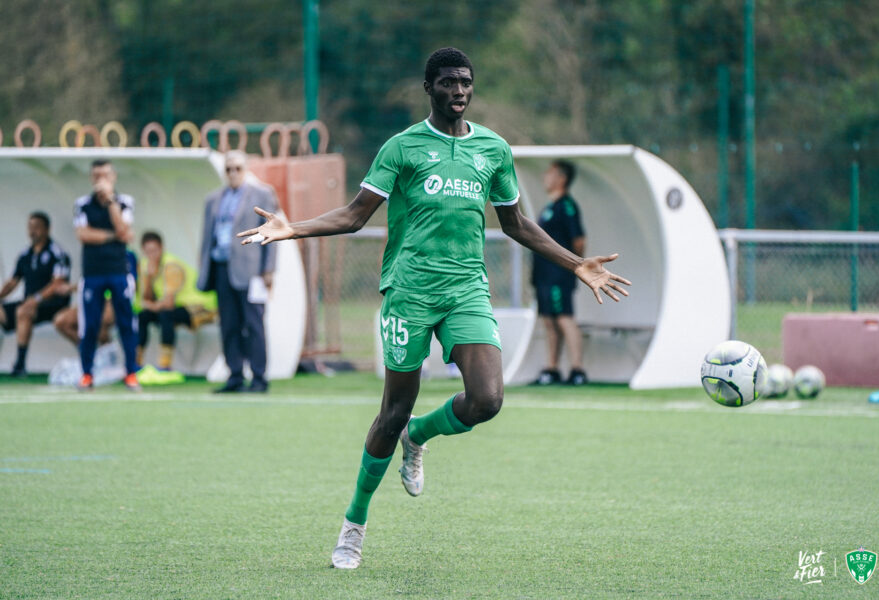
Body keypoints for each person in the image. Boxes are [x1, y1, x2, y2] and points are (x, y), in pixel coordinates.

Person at [238, 47, 631, 569]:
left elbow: (516, 224)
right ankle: (354, 524)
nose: (460, 91)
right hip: (409, 293)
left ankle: (420, 435)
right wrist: (294, 228)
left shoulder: (493, 149)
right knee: (390, 412)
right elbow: (356, 216)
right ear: (430, 88)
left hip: (466, 290)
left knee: (487, 399)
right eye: (449, 82)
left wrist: (576, 262)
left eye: (466, 82)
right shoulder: (402, 148)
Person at [197, 150, 277, 393]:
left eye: (237, 168)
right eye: (229, 169)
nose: (233, 173)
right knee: (229, 324)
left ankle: (259, 377)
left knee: (253, 324)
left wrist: (268, 269)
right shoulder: (214, 199)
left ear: (246, 170)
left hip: (250, 270)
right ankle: (234, 375)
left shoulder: (261, 195)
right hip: (221, 267)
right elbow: (207, 236)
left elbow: (272, 233)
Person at [74, 159, 140, 391]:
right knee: (90, 325)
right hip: (92, 273)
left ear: (113, 177)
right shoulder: (83, 204)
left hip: (119, 271)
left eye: (105, 175)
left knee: (126, 323)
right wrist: (114, 236)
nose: (100, 180)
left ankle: (131, 372)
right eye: (96, 176)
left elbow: (124, 229)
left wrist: (111, 201)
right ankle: (87, 375)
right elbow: (83, 234)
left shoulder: (124, 201)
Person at [531, 160, 588, 385]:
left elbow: (579, 240)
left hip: (558, 275)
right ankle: (551, 368)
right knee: (549, 321)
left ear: (561, 178)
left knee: (565, 318)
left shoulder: (567, 206)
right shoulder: (549, 208)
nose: (545, 176)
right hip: (543, 276)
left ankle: (577, 369)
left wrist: (573, 266)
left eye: (550, 173)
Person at [0, 212, 72, 375]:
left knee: (24, 310)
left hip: (52, 305)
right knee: (15, 309)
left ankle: (19, 364)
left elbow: (57, 283)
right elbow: (13, 281)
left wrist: (37, 298)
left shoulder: (57, 253)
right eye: (30, 227)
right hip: (29, 302)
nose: (33, 231)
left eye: (37, 228)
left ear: (47, 229)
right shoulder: (25, 254)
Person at [136, 231, 217, 370]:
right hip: (178, 306)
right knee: (142, 316)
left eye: (154, 250)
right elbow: (147, 297)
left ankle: (164, 365)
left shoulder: (171, 265)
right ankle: (135, 363)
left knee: (166, 315)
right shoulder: (145, 266)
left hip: (201, 307)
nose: (151, 255)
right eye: (148, 251)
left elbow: (168, 303)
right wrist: (149, 278)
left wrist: (151, 306)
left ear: (162, 248)